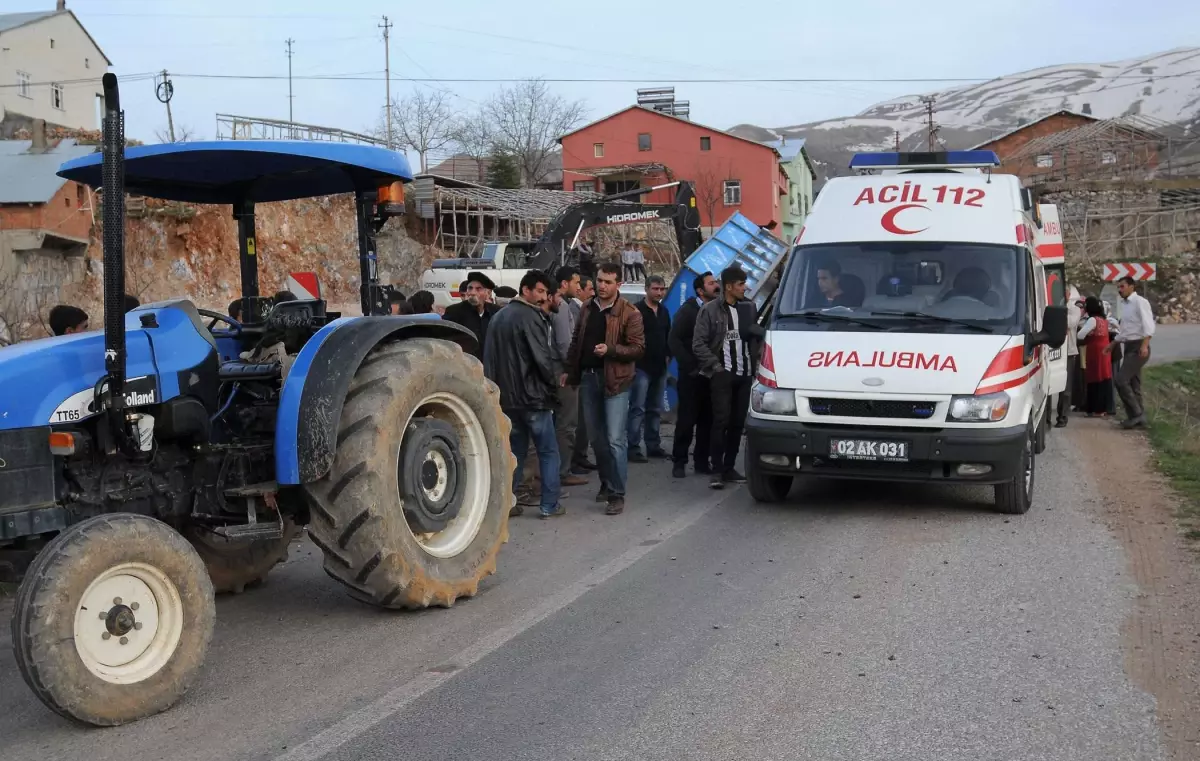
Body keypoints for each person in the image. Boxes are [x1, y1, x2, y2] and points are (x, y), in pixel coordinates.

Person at [483, 269, 565, 519]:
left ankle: (507, 503)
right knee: (548, 452)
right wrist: (553, 388)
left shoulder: (498, 317)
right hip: (533, 399)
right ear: (525, 290)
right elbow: (543, 360)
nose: (543, 297)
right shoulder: (531, 317)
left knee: (515, 453)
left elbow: (489, 360)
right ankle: (549, 505)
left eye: (545, 292)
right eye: (539, 291)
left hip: (507, 400)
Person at [566, 261, 644, 515]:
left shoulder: (630, 312)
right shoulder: (587, 307)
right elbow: (577, 340)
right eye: (599, 280)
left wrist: (610, 350)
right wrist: (570, 370)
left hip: (616, 381)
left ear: (618, 284)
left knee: (614, 439)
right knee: (598, 441)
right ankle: (606, 482)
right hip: (589, 379)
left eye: (607, 282)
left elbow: (638, 348)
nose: (601, 286)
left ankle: (617, 493)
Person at [694, 266, 763, 490]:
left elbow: (754, 338)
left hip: (745, 375)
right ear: (729, 287)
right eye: (741, 284)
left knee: (736, 424)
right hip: (722, 375)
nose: (745, 288)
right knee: (720, 422)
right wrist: (716, 367)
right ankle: (716, 470)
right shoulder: (710, 310)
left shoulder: (748, 308)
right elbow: (698, 344)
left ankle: (729, 467)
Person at [669, 271, 720, 478]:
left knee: (707, 420)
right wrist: (690, 366)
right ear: (700, 290)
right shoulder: (688, 311)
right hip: (691, 376)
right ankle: (679, 461)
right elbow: (674, 340)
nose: (716, 286)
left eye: (716, 282)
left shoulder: (717, 309)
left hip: (710, 376)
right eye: (711, 283)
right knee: (687, 420)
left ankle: (701, 461)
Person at [548, 266, 588, 488]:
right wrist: (572, 370)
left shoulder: (558, 306)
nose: (578, 286)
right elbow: (565, 344)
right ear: (564, 284)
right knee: (567, 423)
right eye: (575, 282)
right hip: (562, 372)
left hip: (554, 369)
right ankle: (563, 471)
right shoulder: (561, 307)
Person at [628, 275, 671, 462]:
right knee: (637, 408)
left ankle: (653, 445)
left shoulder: (663, 311)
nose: (659, 292)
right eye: (655, 289)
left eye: (662, 289)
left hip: (660, 367)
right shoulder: (636, 310)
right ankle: (633, 446)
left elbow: (668, 335)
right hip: (641, 367)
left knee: (655, 408)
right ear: (647, 289)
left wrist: (668, 357)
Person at [1103, 275, 1155, 428]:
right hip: (1129, 346)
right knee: (1134, 383)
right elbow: (1125, 330)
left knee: (1120, 380)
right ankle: (1138, 419)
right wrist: (1112, 344)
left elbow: (1149, 326)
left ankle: (1137, 414)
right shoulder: (1125, 305)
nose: (1120, 290)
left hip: (1139, 346)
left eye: (1122, 287)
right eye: (1118, 287)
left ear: (1132, 286)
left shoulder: (1140, 302)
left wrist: (1145, 345)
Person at [569, 274, 597, 475]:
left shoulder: (586, 309)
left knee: (584, 420)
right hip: (578, 372)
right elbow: (569, 343)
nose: (594, 292)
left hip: (586, 372)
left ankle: (580, 456)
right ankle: (574, 460)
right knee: (574, 421)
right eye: (590, 288)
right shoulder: (573, 309)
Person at [443, 271, 500, 361]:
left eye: (478, 289)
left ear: (487, 293)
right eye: (470, 288)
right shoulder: (454, 312)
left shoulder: (496, 312)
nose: (472, 293)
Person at [1077, 296, 1113, 417]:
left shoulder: (1092, 320)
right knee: (1104, 376)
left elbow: (1080, 335)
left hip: (1095, 351)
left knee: (1094, 377)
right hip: (1105, 350)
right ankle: (1103, 408)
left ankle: (1093, 408)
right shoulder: (1104, 320)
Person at [1056, 284, 1083, 427]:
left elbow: (1068, 323)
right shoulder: (1051, 306)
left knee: (1065, 388)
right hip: (1053, 350)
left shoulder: (1075, 310)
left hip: (1068, 352)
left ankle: (1062, 417)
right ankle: (1047, 418)